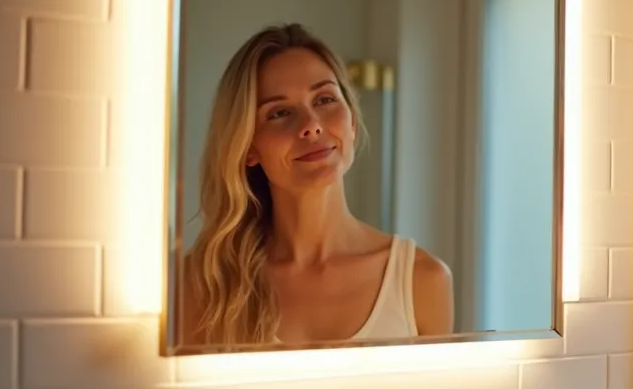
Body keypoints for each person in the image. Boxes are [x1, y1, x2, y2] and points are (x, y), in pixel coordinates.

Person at [180, 23, 454, 348]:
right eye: (280, 112)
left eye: (324, 99)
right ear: (249, 146)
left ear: (351, 122)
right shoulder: (205, 284)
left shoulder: (421, 280)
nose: (311, 125)